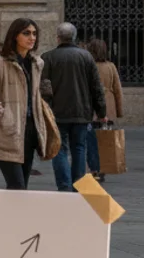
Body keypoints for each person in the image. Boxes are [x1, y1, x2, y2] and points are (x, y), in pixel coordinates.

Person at [0, 19, 46, 190]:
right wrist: (3, 119)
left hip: (30, 132)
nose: (31, 37)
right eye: (26, 33)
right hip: (7, 133)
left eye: (34, 33)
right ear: (14, 36)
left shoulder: (36, 64)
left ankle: (14, 216)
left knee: (21, 188)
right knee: (17, 186)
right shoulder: (0, 63)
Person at [40, 23, 106, 191]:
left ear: (58, 37)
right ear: (74, 37)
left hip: (57, 112)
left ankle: (64, 186)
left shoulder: (48, 57)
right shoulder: (86, 57)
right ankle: (78, 185)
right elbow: (96, 87)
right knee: (79, 148)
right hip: (81, 111)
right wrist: (101, 111)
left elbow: (43, 88)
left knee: (59, 149)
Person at [85, 39, 123, 182]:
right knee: (105, 139)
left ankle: (94, 168)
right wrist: (118, 111)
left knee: (92, 140)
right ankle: (103, 167)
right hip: (109, 106)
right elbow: (118, 89)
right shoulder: (111, 66)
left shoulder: (88, 66)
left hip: (92, 106)